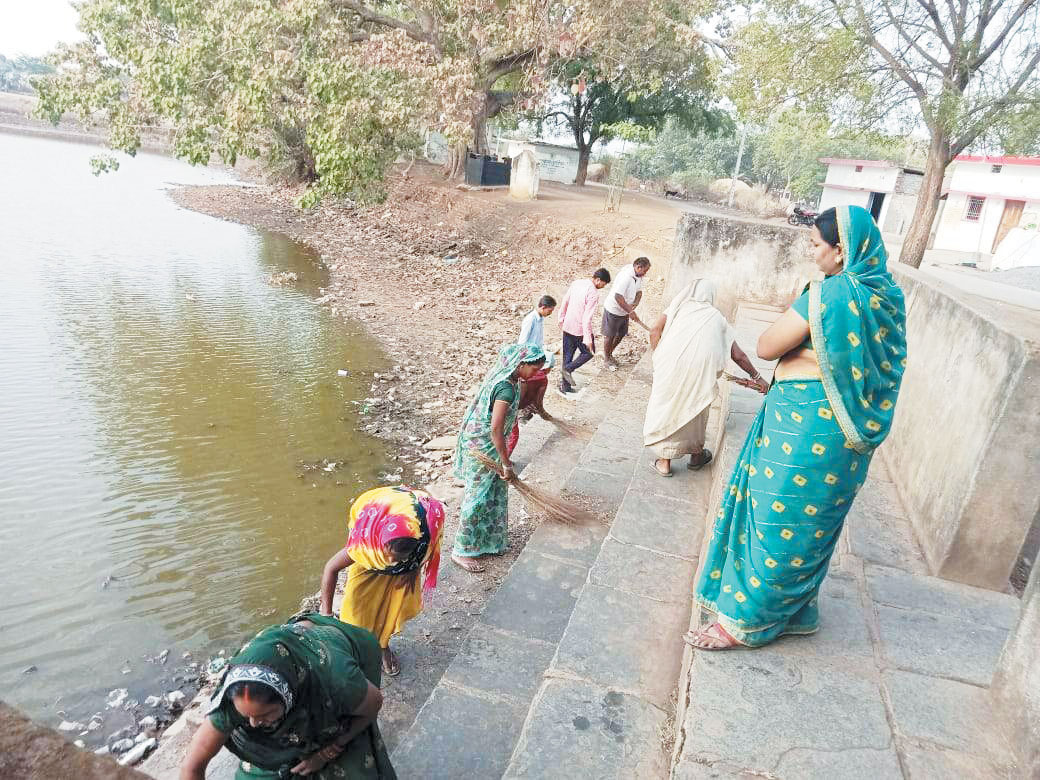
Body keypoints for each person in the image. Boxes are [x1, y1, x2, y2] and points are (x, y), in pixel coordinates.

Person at [688, 205, 906, 650]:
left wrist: (803, 308)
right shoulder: (887, 298)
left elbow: (767, 346)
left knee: (776, 517)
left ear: (841, 250)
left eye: (816, 244)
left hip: (806, 429)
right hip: (848, 439)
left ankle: (745, 621)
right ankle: (797, 612)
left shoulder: (829, 295)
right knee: (814, 525)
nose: (812, 251)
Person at [179, 614, 395, 780]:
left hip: (342, 650)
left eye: (264, 714)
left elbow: (374, 705)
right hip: (293, 659)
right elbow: (193, 765)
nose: (253, 724)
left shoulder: (338, 681)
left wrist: (325, 754)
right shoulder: (238, 694)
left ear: (287, 697)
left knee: (353, 767)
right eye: (246, 716)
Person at [644, 279, 766, 477]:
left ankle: (664, 463)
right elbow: (738, 355)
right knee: (696, 410)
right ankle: (696, 456)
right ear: (710, 296)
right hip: (701, 372)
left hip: (671, 366)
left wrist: (659, 358)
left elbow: (654, 331)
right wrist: (758, 377)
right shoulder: (716, 317)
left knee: (668, 408)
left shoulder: (677, 307)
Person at [318, 486, 444, 677]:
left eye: (400, 558)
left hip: (404, 570)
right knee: (355, 613)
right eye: (391, 556)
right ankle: (354, 648)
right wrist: (326, 614)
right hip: (368, 563)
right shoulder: (365, 544)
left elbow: (419, 555)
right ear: (382, 544)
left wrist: (410, 568)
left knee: (389, 613)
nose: (393, 562)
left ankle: (383, 647)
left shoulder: (423, 536)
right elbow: (331, 568)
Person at [451, 344, 548, 572]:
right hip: (483, 446)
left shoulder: (512, 381)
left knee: (493, 493)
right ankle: (461, 550)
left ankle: (487, 542)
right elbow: (495, 429)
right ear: (520, 365)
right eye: (534, 368)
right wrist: (505, 463)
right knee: (477, 497)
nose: (537, 373)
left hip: (487, 444)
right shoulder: (505, 389)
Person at [557, 268, 610, 393]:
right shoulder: (593, 293)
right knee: (589, 353)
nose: (603, 286)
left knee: (567, 356)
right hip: (580, 329)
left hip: (568, 324)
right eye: (604, 283)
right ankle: (568, 370)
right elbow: (587, 317)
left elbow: (565, 300)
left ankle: (566, 386)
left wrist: (561, 318)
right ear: (598, 280)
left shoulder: (577, 283)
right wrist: (587, 338)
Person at [602, 257, 651, 369]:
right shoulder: (626, 277)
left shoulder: (638, 276)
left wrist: (635, 304)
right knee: (610, 335)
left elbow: (639, 292)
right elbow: (618, 296)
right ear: (639, 267)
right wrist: (630, 311)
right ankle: (606, 358)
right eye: (645, 270)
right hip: (614, 309)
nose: (645, 273)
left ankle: (610, 354)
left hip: (624, 310)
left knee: (621, 333)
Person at [515, 295, 557, 420]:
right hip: (528, 356)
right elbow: (522, 342)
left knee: (545, 374)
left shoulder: (540, 319)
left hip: (537, 354)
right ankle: (527, 407)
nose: (550, 314)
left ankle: (534, 404)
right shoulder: (530, 319)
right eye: (549, 311)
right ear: (543, 308)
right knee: (537, 381)